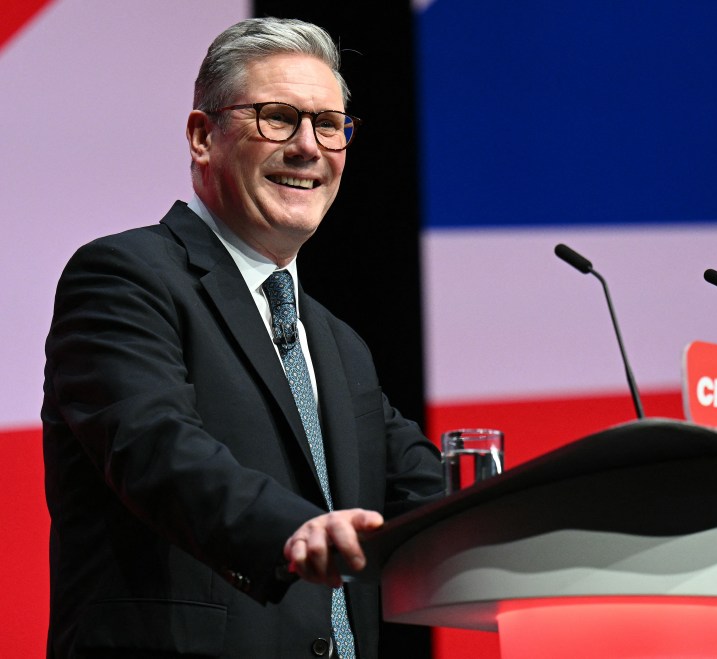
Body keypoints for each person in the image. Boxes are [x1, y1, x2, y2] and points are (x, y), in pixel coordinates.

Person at [41, 17, 443, 658]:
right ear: (203, 136)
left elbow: (424, 490)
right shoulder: (124, 278)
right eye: (278, 117)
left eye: (329, 124)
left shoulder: (339, 343)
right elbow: (158, 450)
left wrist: (586, 512)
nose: (309, 147)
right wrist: (294, 531)